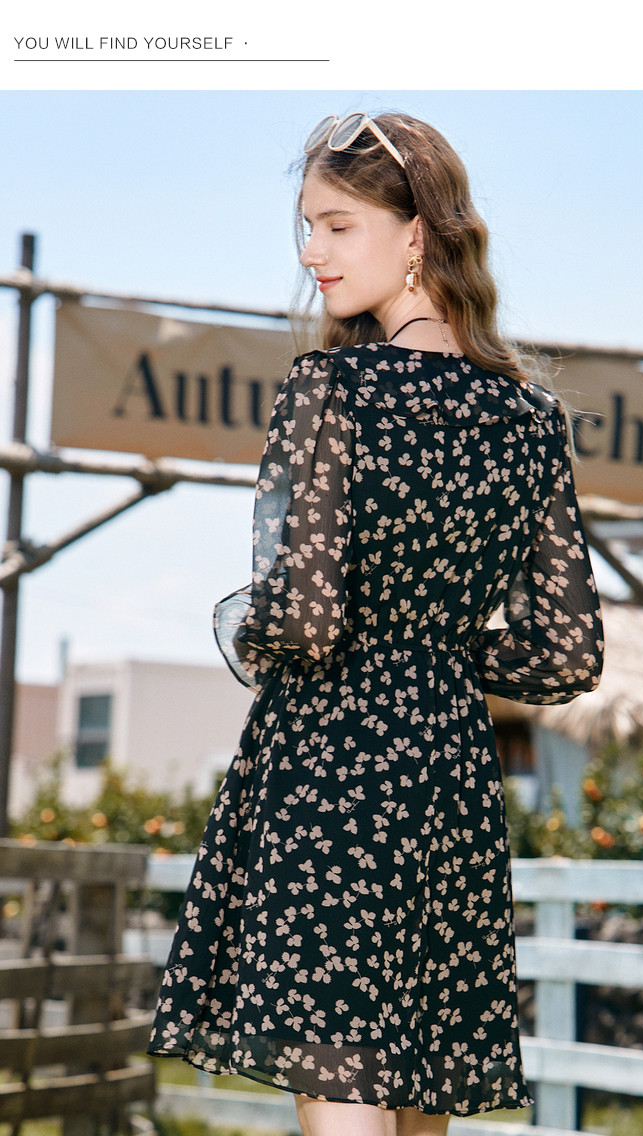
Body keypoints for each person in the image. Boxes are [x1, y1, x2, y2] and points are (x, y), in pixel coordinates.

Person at [147, 111, 605, 1136]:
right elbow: (568, 651)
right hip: (450, 778)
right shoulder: (531, 420)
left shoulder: (332, 392)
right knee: (418, 1083)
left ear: (416, 235)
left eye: (337, 225)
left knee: (339, 1064)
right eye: (307, 227)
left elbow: (303, 617)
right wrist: (438, 648)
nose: (311, 251)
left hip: (334, 767)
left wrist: (258, 629)